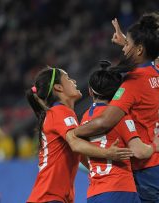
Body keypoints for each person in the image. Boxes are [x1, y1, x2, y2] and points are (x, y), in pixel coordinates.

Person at [67, 12, 159, 203]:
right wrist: (127, 41)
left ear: (140, 49)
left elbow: (104, 121)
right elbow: (155, 57)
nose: (124, 49)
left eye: (129, 45)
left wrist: (74, 133)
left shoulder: (132, 84)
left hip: (146, 164)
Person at [25, 67, 133, 203]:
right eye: (68, 79)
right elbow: (75, 144)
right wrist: (108, 153)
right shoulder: (60, 111)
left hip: (51, 197)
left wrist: (106, 171)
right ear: (58, 87)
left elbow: (81, 154)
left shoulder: (59, 114)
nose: (74, 81)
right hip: (49, 197)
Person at [82, 64, 159, 203]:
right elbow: (139, 152)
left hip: (95, 193)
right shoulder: (120, 116)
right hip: (120, 189)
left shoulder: (85, 118)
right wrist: (155, 146)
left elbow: (81, 154)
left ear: (90, 91)